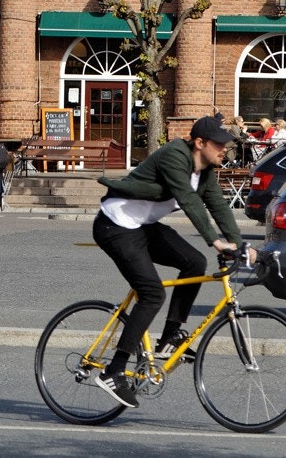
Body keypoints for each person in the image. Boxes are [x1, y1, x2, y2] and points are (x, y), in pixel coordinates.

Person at [88, 113, 254, 409]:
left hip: (143, 226)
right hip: (115, 225)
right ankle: (113, 371)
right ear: (199, 143)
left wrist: (240, 245)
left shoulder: (204, 171)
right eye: (218, 144)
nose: (224, 150)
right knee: (152, 294)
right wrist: (215, 241)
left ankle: (168, 338)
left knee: (194, 263)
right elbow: (188, 199)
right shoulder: (174, 156)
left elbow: (217, 205)